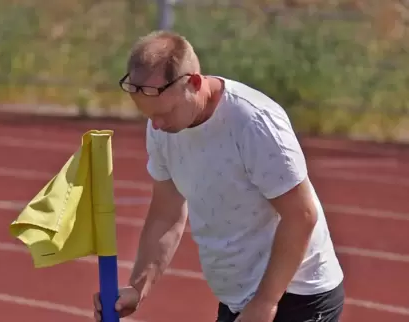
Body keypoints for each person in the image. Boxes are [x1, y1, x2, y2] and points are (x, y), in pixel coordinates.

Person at [93, 30, 345, 322]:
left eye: (165, 112)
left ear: (195, 83)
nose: (158, 125)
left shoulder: (254, 123)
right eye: (149, 116)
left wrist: (265, 304)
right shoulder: (162, 129)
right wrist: (137, 288)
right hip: (239, 298)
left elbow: (301, 215)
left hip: (299, 295)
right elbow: (166, 213)